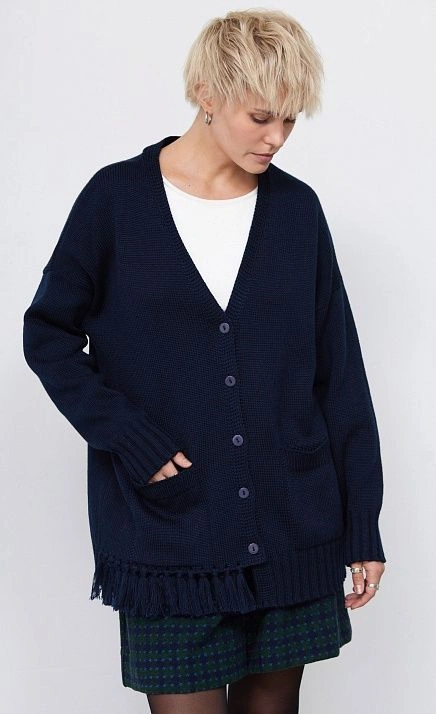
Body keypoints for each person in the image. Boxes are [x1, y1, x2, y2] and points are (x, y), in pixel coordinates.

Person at [22, 8, 386, 714]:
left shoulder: (297, 213)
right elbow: (49, 334)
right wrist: (129, 437)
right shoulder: (116, 202)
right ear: (207, 94)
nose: (276, 138)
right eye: (261, 117)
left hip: (292, 526)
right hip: (172, 535)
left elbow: (340, 375)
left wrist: (362, 522)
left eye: (290, 120)